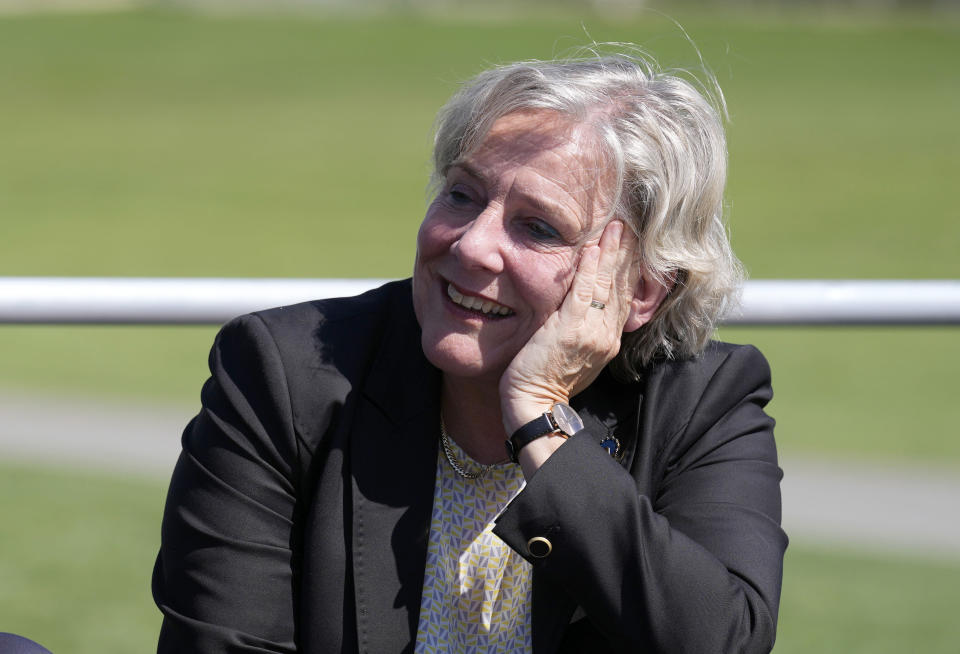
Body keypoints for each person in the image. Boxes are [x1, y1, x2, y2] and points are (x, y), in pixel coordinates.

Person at [153, 50, 786, 653]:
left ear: (639, 288)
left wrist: (540, 419)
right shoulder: (285, 372)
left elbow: (718, 639)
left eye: (538, 227)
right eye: (462, 194)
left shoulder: (704, 402)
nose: (471, 245)